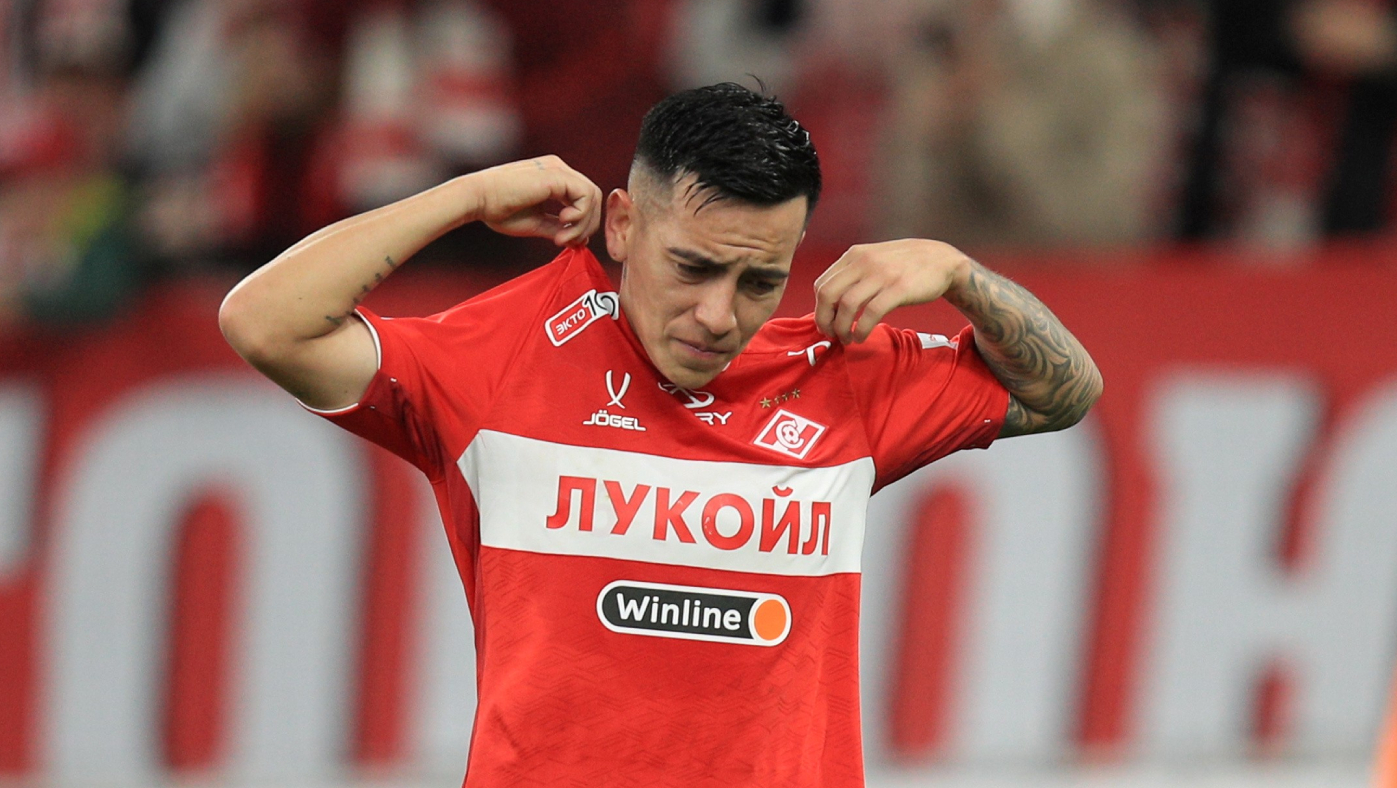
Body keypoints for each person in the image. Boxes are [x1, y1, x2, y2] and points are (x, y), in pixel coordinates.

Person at [218, 82, 1101, 787]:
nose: (718, 315)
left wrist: (959, 274)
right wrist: (468, 196)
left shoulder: (843, 377)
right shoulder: (510, 355)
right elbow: (265, 322)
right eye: (692, 266)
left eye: (759, 282)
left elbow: (1066, 393)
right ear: (623, 224)